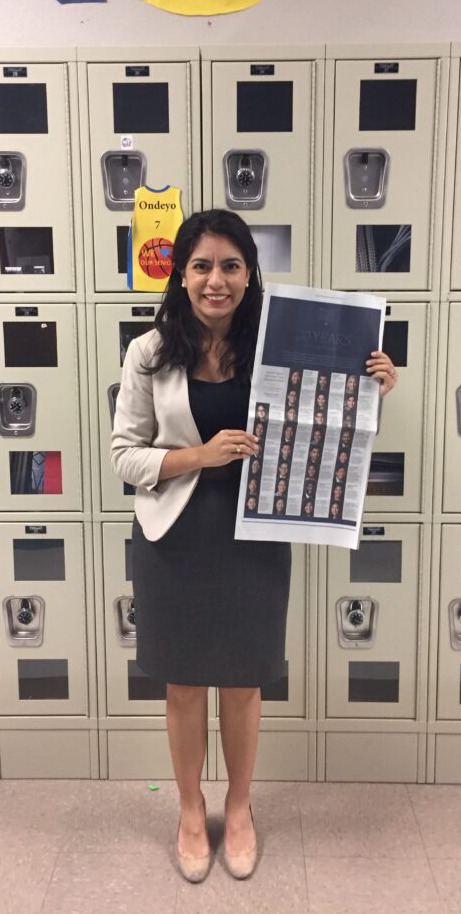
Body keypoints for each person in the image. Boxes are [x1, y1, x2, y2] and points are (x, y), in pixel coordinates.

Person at [110, 208, 398, 883]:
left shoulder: (280, 341)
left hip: (256, 534)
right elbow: (126, 456)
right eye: (203, 265)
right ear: (180, 275)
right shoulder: (149, 353)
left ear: (249, 274)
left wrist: (371, 387)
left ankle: (238, 809)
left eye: (231, 265)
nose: (217, 279)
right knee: (182, 686)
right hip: (173, 535)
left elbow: (326, 425)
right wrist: (199, 455)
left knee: (243, 684)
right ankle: (189, 809)